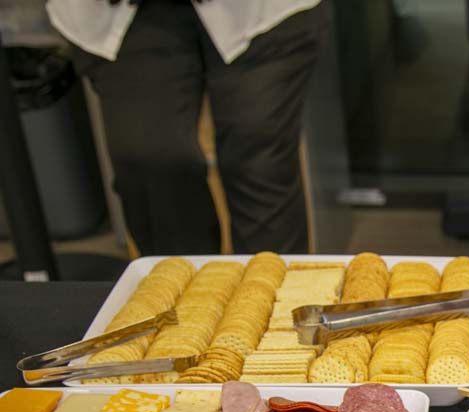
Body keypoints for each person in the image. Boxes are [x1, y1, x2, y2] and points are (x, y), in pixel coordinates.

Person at [44, 0, 330, 255]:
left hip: (259, 12)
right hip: (125, 14)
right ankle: (180, 302)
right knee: (152, 164)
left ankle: (273, 300)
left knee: (259, 163)